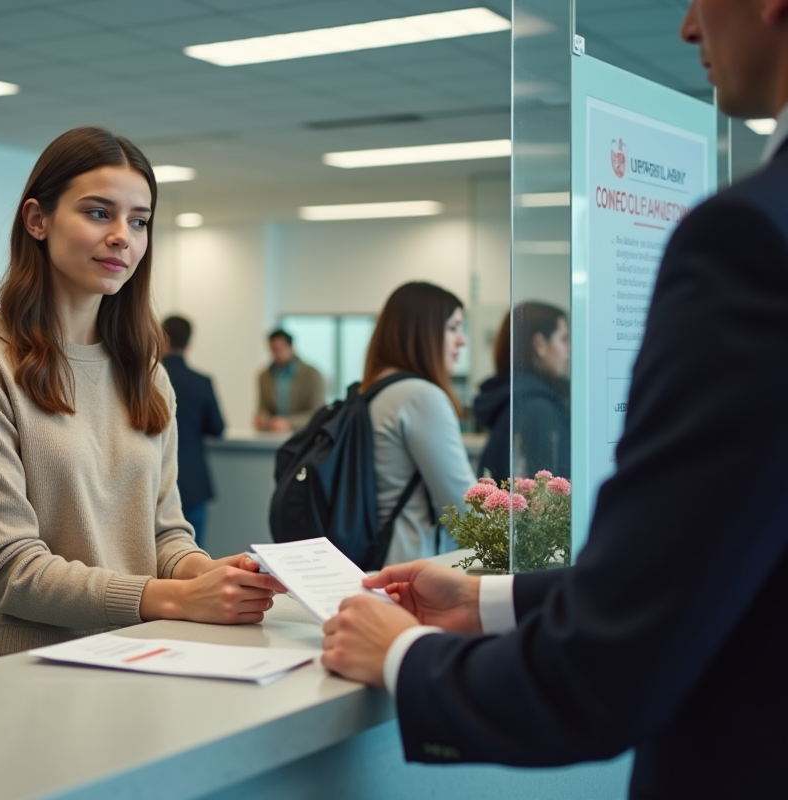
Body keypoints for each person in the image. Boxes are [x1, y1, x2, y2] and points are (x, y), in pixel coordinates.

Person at [320, 2, 788, 796]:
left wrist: (404, 653)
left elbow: (615, 667)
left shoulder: (750, 241)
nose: (685, 27)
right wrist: (485, 598)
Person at [0, 127, 282, 663]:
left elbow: (162, 537)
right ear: (37, 220)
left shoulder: (146, 373)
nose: (123, 236)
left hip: (138, 657)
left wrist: (207, 572)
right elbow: (10, 572)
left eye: (139, 221)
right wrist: (180, 597)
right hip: (25, 676)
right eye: (99, 213)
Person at [362, 282, 477, 565]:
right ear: (421, 332)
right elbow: (464, 510)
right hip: (413, 571)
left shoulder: (371, 390)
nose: (461, 340)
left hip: (374, 562)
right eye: (453, 328)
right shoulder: (421, 397)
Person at [474, 303, 571, 480]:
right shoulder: (538, 407)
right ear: (540, 344)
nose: (569, 348)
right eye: (563, 339)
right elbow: (549, 496)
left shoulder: (514, 396)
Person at [161, 315, 225, 548]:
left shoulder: (144, 379)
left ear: (162, 338)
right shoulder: (201, 381)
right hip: (193, 482)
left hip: (154, 481)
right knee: (194, 555)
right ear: (189, 343)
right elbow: (217, 428)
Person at [254, 329, 325, 433]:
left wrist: (289, 423)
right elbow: (262, 408)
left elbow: (318, 413)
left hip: (305, 435)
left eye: (281, 349)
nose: (277, 354)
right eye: (273, 349)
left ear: (291, 348)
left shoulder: (313, 375)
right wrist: (263, 419)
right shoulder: (264, 376)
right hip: (273, 436)